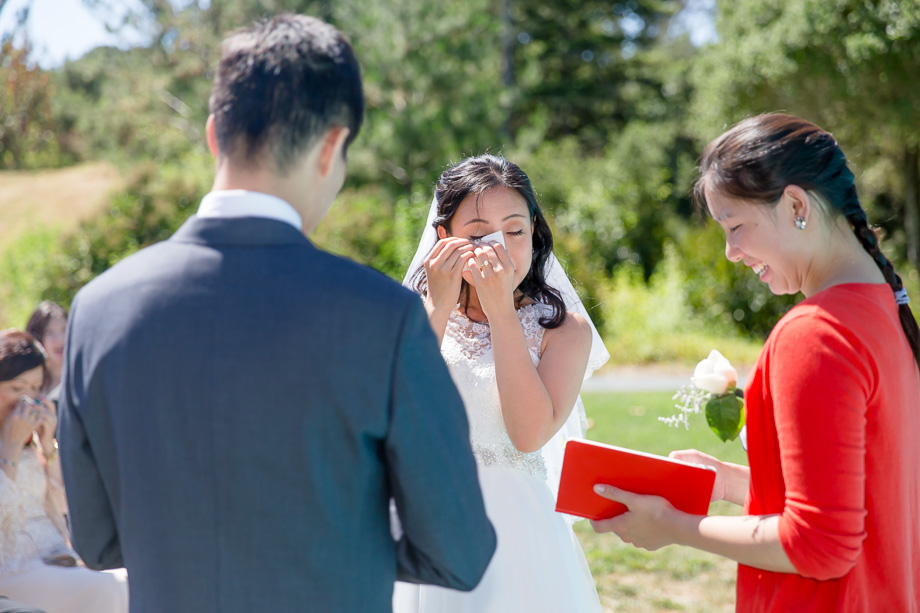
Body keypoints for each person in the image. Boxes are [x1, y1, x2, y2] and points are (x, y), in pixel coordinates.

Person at [58, 13, 495, 613]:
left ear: (214, 134)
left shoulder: (97, 309)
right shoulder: (382, 316)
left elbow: (98, 540)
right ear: (332, 146)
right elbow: (459, 550)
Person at [590, 113, 920, 611]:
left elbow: (821, 546)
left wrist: (672, 527)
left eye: (736, 225)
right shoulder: (887, 311)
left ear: (795, 204)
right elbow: (860, 504)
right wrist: (729, 483)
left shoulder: (815, 333)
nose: (730, 252)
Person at [393, 154, 609, 612]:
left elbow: (528, 434)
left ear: (533, 230)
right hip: (428, 524)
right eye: (477, 233)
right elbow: (396, 413)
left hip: (518, 535)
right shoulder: (404, 316)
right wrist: (437, 308)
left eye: (514, 230)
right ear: (442, 238)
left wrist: (503, 314)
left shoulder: (565, 330)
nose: (499, 246)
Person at [0, 330, 128, 613]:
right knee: (108, 587)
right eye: (17, 387)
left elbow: (65, 505)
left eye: (35, 388)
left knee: (127, 579)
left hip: (57, 557)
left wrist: (48, 447)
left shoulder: (31, 438)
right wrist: (8, 448)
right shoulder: (12, 438)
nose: (27, 399)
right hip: (13, 568)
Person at [24, 302, 66, 396]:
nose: (59, 340)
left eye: (64, 330)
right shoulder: (26, 385)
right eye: (49, 332)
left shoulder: (83, 379)